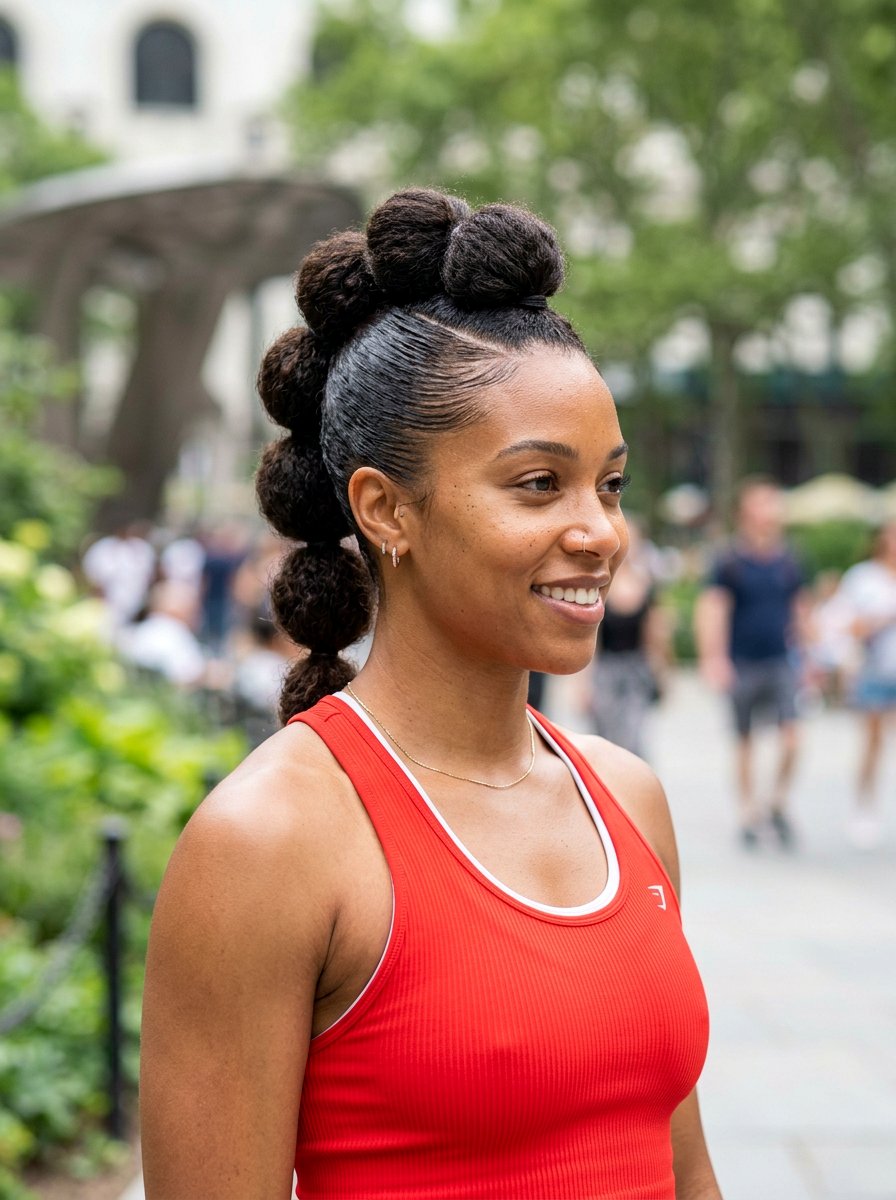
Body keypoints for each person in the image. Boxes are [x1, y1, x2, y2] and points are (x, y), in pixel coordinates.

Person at [141, 189, 720, 1199]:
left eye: (609, 484)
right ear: (385, 509)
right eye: (537, 484)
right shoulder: (269, 842)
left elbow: (682, 1170)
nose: (599, 532)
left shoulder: (628, 799)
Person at [695, 477, 808, 849]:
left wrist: (808, 656)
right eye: (764, 503)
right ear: (746, 512)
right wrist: (714, 659)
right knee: (744, 741)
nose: (771, 511)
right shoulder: (730, 561)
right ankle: (748, 812)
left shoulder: (790, 559)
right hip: (742, 661)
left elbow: (800, 610)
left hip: (781, 661)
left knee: (792, 739)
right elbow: (714, 609)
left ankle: (776, 801)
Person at [835, 521, 896, 847]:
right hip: (875, 671)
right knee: (872, 743)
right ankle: (864, 807)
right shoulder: (864, 578)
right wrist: (882, 619)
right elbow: (848, 626)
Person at [590, 518, 671, 757]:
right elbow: (593, 638)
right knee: (604, 736)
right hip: (607, 670)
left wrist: (662, 671)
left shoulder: (647, 586)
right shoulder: (599, 585)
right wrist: (583, 683)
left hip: (636, 669)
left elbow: (655, 635)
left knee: (634, 736)